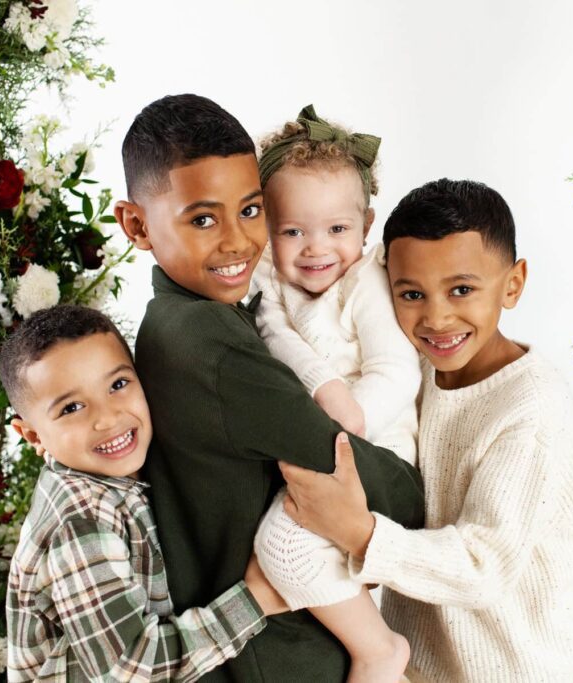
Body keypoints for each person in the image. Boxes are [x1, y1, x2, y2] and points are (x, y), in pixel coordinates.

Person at [113, 93, 425, 683]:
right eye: (203, 219)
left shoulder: (186, 318)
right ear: (137, 225)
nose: (238, 242)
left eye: (251, 210)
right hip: (279, 659)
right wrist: (412, 491)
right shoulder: (207, 340)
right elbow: (361, 478)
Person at [280, 179, 573, 682]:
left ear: (513, 285)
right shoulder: (414, 369)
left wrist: (357, 531)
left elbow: (482, 566)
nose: (436, 317)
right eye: (412, 294)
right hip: (427, 668)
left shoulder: (530, 411)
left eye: (462, 290)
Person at [1, 304, 286, 682]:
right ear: (33, 436)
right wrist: (257, 600)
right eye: (72, 407)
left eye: (118, 385)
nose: (108, 418)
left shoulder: (127, 472)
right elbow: (130, 670)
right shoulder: (80, 520)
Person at [250, 105, 420, 683]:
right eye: (292, 231)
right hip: (320, 436)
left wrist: (350, 421)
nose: (315, 248)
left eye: (337, 230)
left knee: (282, 546)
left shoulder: (365, 281)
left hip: (377, 449)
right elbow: (273, 333)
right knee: (285, 547)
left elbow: (398, 372)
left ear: (366, 225)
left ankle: (379, 650)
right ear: (265, 227)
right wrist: (322, 385)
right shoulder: (270, 278)